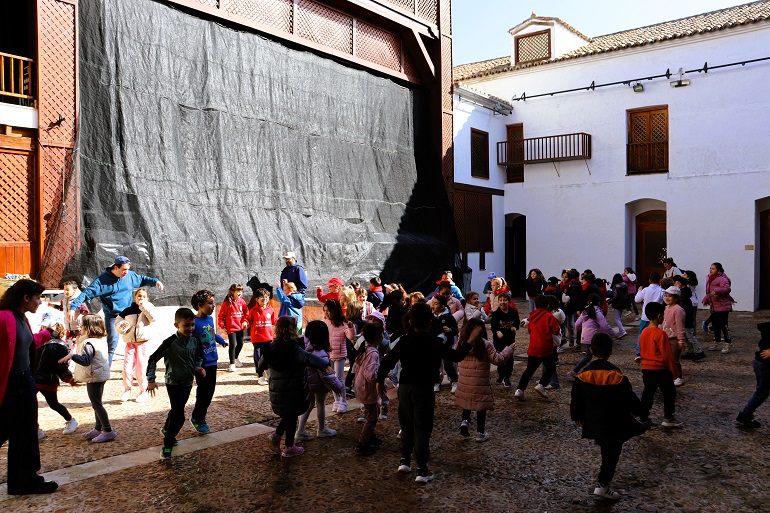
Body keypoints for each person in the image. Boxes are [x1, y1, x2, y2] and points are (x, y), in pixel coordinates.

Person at [377, 302, 472, 483]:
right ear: (429, 323)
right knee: (422, 428)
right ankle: (422, 469)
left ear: (410, 322)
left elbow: (388, 361)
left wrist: (379, 380)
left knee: (406, 425)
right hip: (424, 389)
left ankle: (405, 460)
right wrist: (469, 341)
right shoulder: (433, 342)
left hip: (404, 388)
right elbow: (456, 356)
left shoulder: (404, 340)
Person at [570, 333, 646, 501]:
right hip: (614, 421)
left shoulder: (583, 375)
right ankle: (603, 484)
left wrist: (577, 416)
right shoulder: (616, 374)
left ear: (591, 350)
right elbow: (628, 396)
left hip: (592, 421)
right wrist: (638, 410)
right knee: (611, 453)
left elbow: (576, 398)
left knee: (607, 449)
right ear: (610, 351)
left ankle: (603, 483)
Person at [0, 279, 58, 494]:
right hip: (10, 386)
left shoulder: (21, 318)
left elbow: (25, 343)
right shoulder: (3, 317)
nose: (40, 302)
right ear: (26, 298)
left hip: (25, 383)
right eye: (38, 297)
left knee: (26, 433)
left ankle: (24, 480)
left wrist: (47, 334)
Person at [67, 256, 164, 367]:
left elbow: (142, 279)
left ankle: (136, 369)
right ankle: (106, 369)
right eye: (124, 269)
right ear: (115, 267)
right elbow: (86, 293)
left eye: (127, 269)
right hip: (113, 316)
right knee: (112, 344)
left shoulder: (130, 276)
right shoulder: (102, 282)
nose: (126, 272)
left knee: (137, 340)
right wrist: (73, 307)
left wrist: (155, 281)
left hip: (129, 314)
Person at [259, 316, 332, 458]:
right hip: (294, 389)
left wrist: (262, 371)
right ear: (292, 330)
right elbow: (309, 358)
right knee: (291, 416)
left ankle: (278, 437)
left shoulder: (271, 348)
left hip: (278, 390)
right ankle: (288, 446)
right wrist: (325, 366)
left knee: (290, 416)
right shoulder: (293, 348)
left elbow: (261, 364)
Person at [147, 308, 205, 459]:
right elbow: (152, 358)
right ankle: (167, 444)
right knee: (179, 416)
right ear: (176, 325)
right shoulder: (170, 342)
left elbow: (199, 356)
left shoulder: (195, 340)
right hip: (173, 382)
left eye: (192, 325)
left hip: (187, 383)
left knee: (176, 409)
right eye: (186, 325)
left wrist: (198, 367)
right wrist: (151, 379)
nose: (190, 328)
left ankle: (167, 428)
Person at [455, 318, 515, 442]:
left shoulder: (461, 343)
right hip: (480, 382)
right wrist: (508, 350)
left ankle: (465, 422)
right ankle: (480, 433)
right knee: (480, 406)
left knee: (467, 400)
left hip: (465, 382)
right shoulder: (485, 344)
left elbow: (455, 355)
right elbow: (498, 360)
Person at [61, 315, 116, 442]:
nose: (80, 327)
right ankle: (98, 428)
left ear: (89, 327)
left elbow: (86, 361)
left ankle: (107, 430)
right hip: (99, 375)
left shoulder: (89, 343)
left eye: (83, 325)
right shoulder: (99, 339)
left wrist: (72, 355)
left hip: (94, 377)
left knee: (96, 404)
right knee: (97, 403)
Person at [296, 320, 343, 441]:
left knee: (309, 405)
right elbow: (326, 375)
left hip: (309, 383)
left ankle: (300, 430)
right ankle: (321, 429)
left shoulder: (306, 348)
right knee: (320, 403)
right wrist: (338, 388)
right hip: (318, 385)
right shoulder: (321, 353)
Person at [638, 302, 682, 428]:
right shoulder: (660, 334)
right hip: (660, 369)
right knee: (669, 393)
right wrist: (675, 372)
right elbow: (667, 356)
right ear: (659, 316)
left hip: (646, 369)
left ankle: (643, 418)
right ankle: (668, 417)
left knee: (648, 393)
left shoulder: (644, 332)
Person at [190, 290, 228, 434]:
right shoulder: (193, 322)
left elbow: (212, 334)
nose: (213, 306)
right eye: (210, 303)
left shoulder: (210, 320)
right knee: (203, 392)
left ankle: (200, 417)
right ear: (200, 305)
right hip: (202, 365)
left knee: (209, 392)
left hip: (213, 361)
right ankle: (197, 418)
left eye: (213, 303)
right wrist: (195, 364)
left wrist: (221, 340)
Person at [34, 323, 78, 436]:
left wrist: (68, 378)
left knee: (53, 404)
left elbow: (62, 365)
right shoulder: (40, 342)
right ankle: (36, 429)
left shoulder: (59, 346)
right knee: (30, 404)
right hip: (36, 379)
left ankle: (70, 420)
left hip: (47, 380)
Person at [115, 288, 157, 403]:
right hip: (130, 343)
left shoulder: (148, 309)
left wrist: (144, 306)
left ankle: (144, 390)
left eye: (143, 296)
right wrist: (121, 326)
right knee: (127, 367)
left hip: (143, 343)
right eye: (139, 296)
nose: (141, 298)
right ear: (134, 297)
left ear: (147, 298)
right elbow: (119, 320)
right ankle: (127, 388)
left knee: (141, 368)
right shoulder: (128, 310)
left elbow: (153, 317)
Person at [515, 295, 560, 400]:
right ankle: (541, 384)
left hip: (533, 348)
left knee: (529, 370)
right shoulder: (549, 316)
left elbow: (530, 330)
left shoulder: (532, 317)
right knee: (551, 367)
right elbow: (555, 331)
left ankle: (520, 390)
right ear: (548, 306)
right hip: (546, 348)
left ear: (535, 305)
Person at [569, 294, 616, 378]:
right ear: (598, 303)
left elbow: (577, 324)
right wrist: (613, 334)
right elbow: (605, 325)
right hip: (594, 336)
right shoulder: (597, 312)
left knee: (589, 355)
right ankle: (579, 372)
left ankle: (580, 372)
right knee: (597, 355)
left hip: (585, 336)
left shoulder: (584, 312)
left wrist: (581, 330)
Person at [355, 322, 385, 455]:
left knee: (373, 412)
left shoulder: (365, 349)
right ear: (378, 337)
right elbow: (371, 375)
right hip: (367, 389)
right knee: (372, 416)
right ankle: (362, 443)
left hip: (361, 387)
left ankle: (370, 436)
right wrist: (379, 380)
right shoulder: (373, 354)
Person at [736, 322, 770, 428]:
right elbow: (765, 348)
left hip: (763, 364)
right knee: (762, 393)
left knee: (762, 392)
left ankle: (745, 415)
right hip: (764, 365)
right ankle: (745, 415)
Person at [323, 299, 354, 413]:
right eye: (325, 311)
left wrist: (351, 327)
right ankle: (336, 401)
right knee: (331, 380)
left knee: (339, 379)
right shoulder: (326, 323)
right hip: (329, 355)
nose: (326, 313)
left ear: (335, 311)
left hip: (340, 355)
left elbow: (350, 337)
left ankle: (344, 401)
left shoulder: (343, 324)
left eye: (328, 311)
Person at [430, 294, 460, 392]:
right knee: (435, 365)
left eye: (436, 304)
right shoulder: (431, 317)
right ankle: (436, 382)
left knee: (448, 364)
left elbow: (456, 330)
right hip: (435, 345)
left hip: (447, 345)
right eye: (432, 303)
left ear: (442, 306)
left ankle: (454, 380)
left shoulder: (448, 317)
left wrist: (450, 330)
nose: (433, 306)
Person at [247, 288, 277, 385]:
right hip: (257, 338)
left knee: (268, 356)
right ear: (256, 299)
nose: (264, 299)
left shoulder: (270, 310)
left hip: (268, 338)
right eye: (261, 297)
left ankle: (268, 373)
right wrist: (244, 323)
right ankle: (260, 375)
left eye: (266, 297)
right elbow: (248, 320)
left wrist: (283, 320)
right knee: (258, 357)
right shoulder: (253, 310)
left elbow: (274, 321)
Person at [702, 262, 733, 353]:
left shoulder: (722, 279)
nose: (711, 270)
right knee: (715, 325)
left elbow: (727, 289)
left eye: (713, 269)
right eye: (710, 268)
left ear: (718, 270)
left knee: (723, 325)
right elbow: (709, 292)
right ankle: (717, 342)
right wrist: (706, 299)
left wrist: (717, 291)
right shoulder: (709, 278)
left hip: (722, 306)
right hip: (714, 306)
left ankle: (728, 343)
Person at [634, 272, 665, 361]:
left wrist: (639, 290)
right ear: (659, 280)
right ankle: (655, 351)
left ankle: (639, 352)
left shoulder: (645, 290)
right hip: (657, 316)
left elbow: (637, 299)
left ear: (649, 280)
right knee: (657, 333)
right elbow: (665, 301)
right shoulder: (661, 291)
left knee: (642, 334)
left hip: (645, 315)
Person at [490, 292, 519, 388]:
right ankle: (501, 373)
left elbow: (517, 323)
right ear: (498, 302)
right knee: (500, 357)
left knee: (509, 358)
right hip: (499, 340)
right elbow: (493, 326)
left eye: (505, 300)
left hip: (510, 339)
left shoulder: (513, 312)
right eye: (501, 300)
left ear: (508, 301)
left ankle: (507, 376)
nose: (503, 302)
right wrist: (497, 331)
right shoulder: (496, 314)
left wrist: (515, 327)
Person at [674, 276, 706, 362]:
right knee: (686, 336)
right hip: (683, 319)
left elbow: (680, 298)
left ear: (681, 284)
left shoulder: (684, 294)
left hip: (687, 320)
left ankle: (699, 351)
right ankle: (691, 351)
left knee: (690, 336)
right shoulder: (683, 293)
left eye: (677, 282)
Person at [218, 283, 249, 371]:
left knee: (240, 343)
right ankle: (232, 363)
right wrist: (222, 325)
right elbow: (221, 315)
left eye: (241, 291)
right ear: (232, 292)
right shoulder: (227, 303)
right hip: (231, 327)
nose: (239, 293)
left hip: (240, 327)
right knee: (233, 344)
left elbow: (246, 313)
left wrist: (245, 321)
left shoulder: (242, 302)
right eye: (237, 291)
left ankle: (235, 358)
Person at [662, 286, 687, 386]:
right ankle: (670, 376)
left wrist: (681, 340)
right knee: (666, 359)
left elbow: (680, 326)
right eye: (666, 296)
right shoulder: (666, 308)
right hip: (665, 337)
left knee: (674, 359)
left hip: (675, 339)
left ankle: (678, 377)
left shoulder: (678, 310)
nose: (667, 298)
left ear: (676, 298)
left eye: (670, 296)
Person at [60, 279, 89, 343]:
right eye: (64, 290)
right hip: (69, 327)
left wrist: (77, 311)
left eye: (67, 290)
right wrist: (52, 306)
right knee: (69, 345)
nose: (65, 292)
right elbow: (62, 309)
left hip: (78, 327)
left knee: (79, 343)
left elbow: (86, 311)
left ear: (74, 290)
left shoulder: (79, 299)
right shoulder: (64, 299)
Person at [608, 273, 629, 338]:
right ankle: (620, 331)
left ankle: (623, 331)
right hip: (623, 302)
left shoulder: (615, 286)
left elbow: (615, 296)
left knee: (617, 318)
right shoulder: (624, 285)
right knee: (619, 318)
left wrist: (609, 301)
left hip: (617, 303)